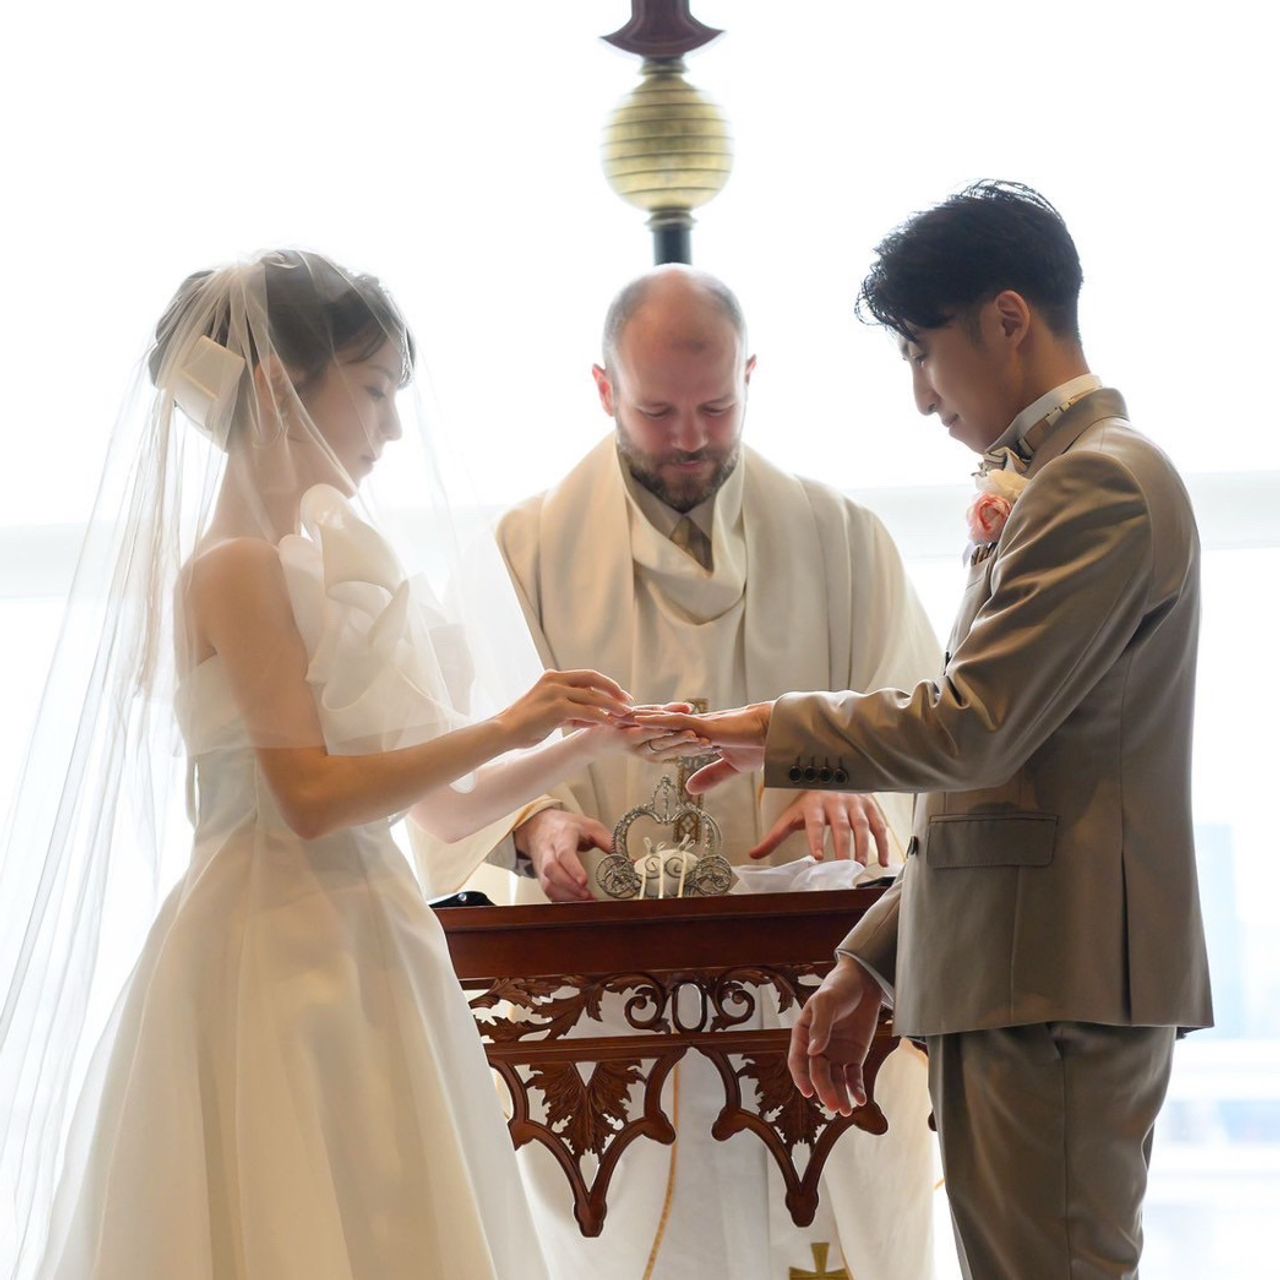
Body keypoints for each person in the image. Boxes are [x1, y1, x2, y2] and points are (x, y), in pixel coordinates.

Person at [0, 251, 675, 1280]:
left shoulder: (315, 560)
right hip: (274, 949)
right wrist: (507, 724)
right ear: (280, 389)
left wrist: (584, 737)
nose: (391, 428)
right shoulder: (232, 568)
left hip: (374, 941)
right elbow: (310, 798)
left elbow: (444, 809)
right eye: (372, 391)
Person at [638, 182, 1214, 1280]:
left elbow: (971, 731)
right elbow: (1010, 785)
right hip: (1020, 973)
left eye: (921, 351)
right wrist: (873, 958)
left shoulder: (1099, 483)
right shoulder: (1064, 479)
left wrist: (772, 730)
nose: (919, 396)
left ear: (1008, 319)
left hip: (1054, 981)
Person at [410, 266, 941, 1279]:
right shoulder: (520, 554)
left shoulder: (844, 542)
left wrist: (847, 775)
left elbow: (933, 738)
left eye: (715, 407)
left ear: (750, 377)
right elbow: (458, 760)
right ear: (603, 388)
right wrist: (537, 822)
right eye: (656, 411)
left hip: (816, 981)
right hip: (605, 1002)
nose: (689, 437)